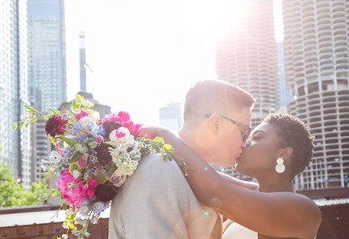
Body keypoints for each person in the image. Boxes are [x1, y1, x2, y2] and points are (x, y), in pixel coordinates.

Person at [108, 79, 255, 239]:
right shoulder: (159, 168)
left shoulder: (185, 171)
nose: (245, 143)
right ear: (216, 123)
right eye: (243, 132)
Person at [143, 113, 321, 239]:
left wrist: (163, 133)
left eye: (257, 137)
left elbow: (216, 191)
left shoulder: (304, 210)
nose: (244, 144)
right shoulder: (254, 193)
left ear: (283, 154)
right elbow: (211, 177)